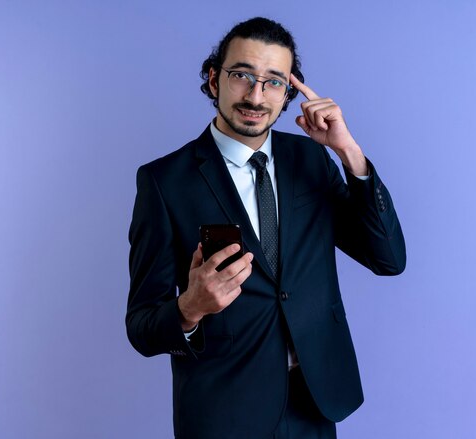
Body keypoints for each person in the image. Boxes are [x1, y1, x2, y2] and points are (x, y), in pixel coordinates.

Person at [126, 17, 406, 439]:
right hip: (224, 413)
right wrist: (191, 308)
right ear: (213, 78)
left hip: (314, 400)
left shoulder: (312, 159)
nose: (256, 96)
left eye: (274, 82)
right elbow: (142, 327)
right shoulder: (165, 183)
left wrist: (350, 154)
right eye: (241, 75)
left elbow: (388, 259)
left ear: (290, 92)